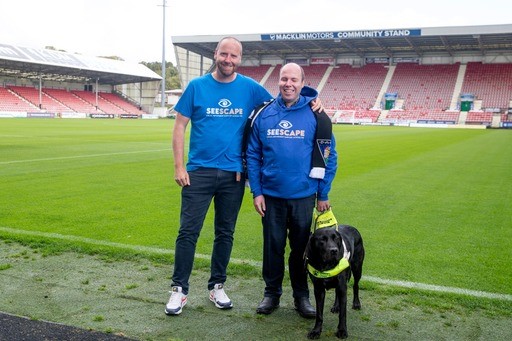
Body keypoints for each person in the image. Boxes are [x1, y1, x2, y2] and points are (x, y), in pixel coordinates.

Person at [165, 38, 322, 316]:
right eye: (224, 54)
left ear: (240, 58)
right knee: (188, 232)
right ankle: (179, 290)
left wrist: (312, 97)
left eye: (233, 55)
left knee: (225, 233)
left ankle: (217, 286)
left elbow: (284, 97)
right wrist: (179, 166)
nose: (228, 59)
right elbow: (179, 126)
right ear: (216, 54)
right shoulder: (196, 87)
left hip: (233, 175)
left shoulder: (249, 88)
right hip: (197, 173)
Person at [245, 62, 338, 318]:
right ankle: (271, 293)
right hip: (271, 197)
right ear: (279, 81)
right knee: (272, 248)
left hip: (303, 197)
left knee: (301, 251)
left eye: (294, 80)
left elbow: (329, 156)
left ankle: (301, 296)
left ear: (302, 82)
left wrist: (323, 193)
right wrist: (257, 192)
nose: (288, 84)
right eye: (284, 79)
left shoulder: (317, 115)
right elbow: (252, 155)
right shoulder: (264, 114)